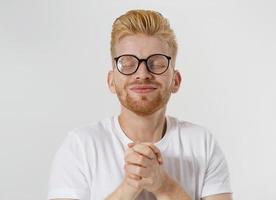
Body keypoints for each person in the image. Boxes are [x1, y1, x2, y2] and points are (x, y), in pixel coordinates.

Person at [47, 9, 232, 200]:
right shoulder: (80, 147)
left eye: (157, 63)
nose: (142, 73)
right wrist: (130, 184)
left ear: (175, 80)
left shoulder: (202, 144)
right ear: (111, 81)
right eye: (127, 63)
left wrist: (163, 186)